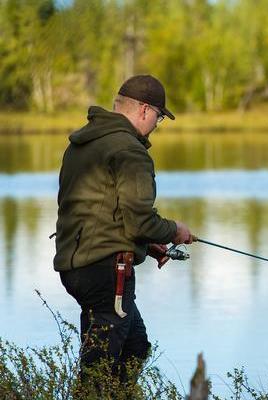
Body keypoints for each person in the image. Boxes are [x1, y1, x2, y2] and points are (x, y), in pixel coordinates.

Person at [53, 75, 192, 387]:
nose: (157, 124)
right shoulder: (130, 151)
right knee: (97, 372)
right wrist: (174, 231)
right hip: (107, 271)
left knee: (134, 347)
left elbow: (98, 210)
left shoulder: (83, 142)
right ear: (144, 110)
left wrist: (144, 245)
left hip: (76, 266)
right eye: (159, 116)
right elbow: (140, 220)